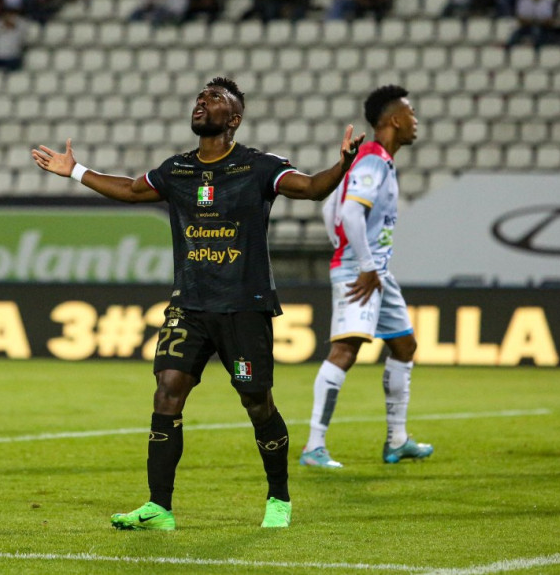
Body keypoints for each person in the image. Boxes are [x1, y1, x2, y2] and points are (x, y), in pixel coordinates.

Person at [31, 77, 364, 529]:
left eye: (214, 99)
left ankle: (278, 498)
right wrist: (75, 170)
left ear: (235, 118)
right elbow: (131, 190)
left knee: (256, 401)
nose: (201, 103)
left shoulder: (259, 166)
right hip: (189, 306)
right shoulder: (178, 170)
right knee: (167, 390)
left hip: (244, 306)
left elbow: (309, 188)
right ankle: (159, 507)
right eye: (199, 97)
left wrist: (341, 164)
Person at [299, 85, 432, 469]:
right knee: (345, 351)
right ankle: (314, 447)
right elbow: (350, 215)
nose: (415, 120)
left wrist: (365, 260)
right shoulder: (373, 160)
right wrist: (364, 263)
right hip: (362, 272)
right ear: (393, 120)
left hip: (375, 271)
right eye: (409, 112)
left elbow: (331, 209)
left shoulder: (378, 160)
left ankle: (397, 440)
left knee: (404, 346)